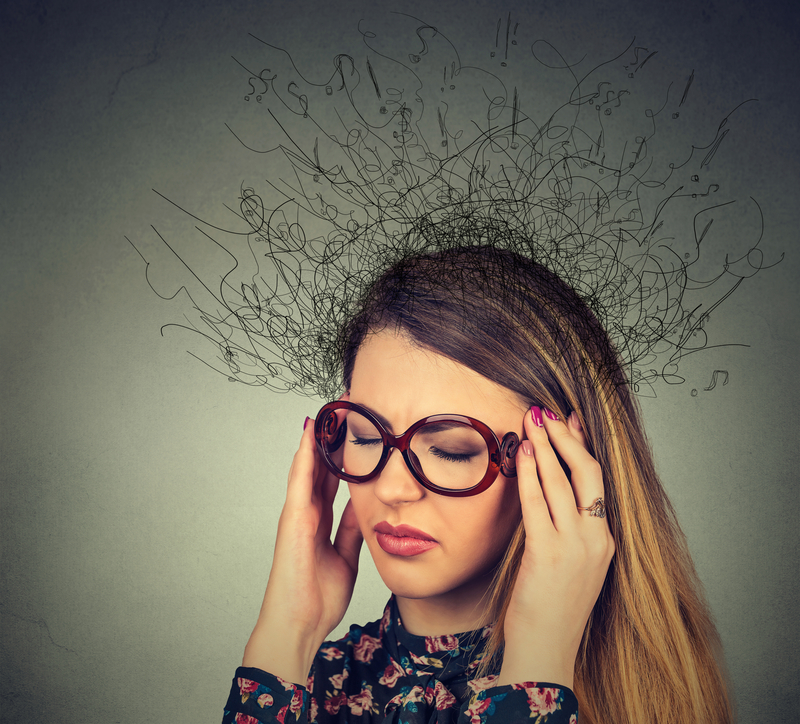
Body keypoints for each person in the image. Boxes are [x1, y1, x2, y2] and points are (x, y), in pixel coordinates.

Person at [220, 244, 734, 724]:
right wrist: (288, 633)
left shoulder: (644, 693)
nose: (394, 489)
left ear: (561, 464)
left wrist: (540, 661)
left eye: (451, 449)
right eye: (365, 435)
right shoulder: (304, 683)